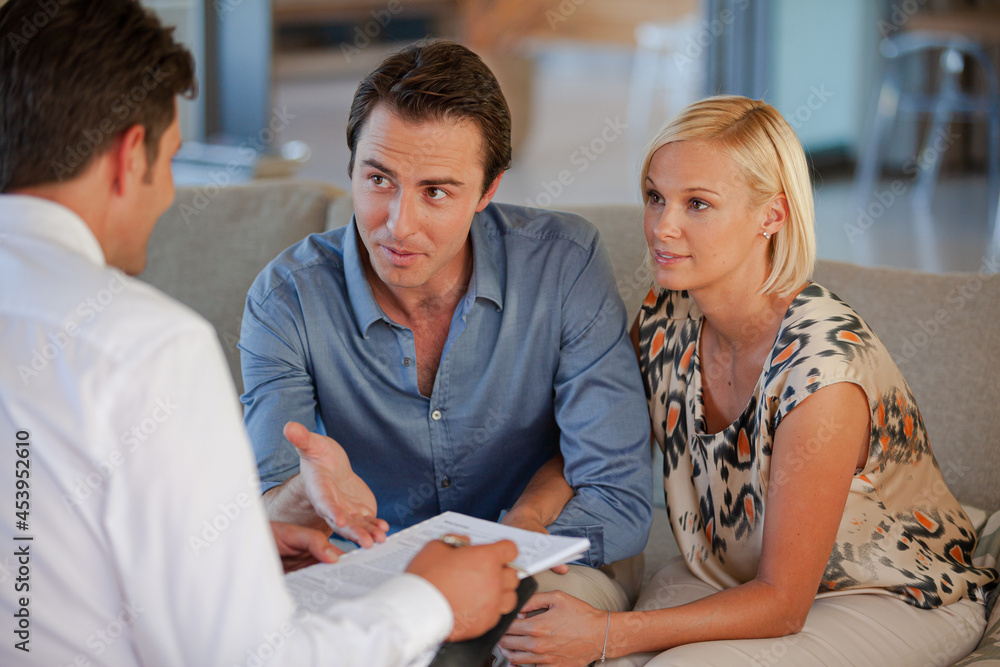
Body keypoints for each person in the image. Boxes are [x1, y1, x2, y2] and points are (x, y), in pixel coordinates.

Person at [0, 2, 520, 665]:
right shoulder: (144, 347)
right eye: (172, 164)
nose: (166, 197)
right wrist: (432, 600)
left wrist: (232, 547)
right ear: (131, 155)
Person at [496, 96, 999, 666]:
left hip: (888, 594)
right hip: (726, 575)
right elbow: (605, 440)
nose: (664, 226)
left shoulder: (824, 372)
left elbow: (783, 603)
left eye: (698, 204)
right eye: (656, 197)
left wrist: (609, 631)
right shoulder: (668, 313)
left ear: (772, 215)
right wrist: (528, 517)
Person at [239, 40, 653, 622]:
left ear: (488, 191)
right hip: (372, 577)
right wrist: (305, 497)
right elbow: (270, 521)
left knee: (517, 635)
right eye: (379, 180)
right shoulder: (286, 299)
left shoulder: (564, 264)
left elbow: (617, 495)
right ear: (352, 166)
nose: (398, 224)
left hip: (540, 567)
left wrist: (491, 561)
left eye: (436, 191)